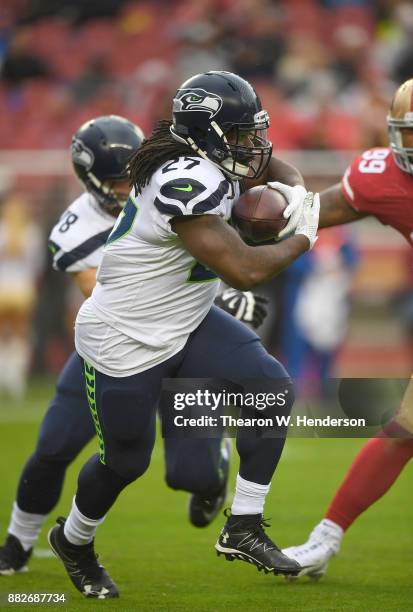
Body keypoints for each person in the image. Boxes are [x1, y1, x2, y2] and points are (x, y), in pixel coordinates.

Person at [47, 70, 320, 599]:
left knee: (271, 389)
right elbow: (244, 270)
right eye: (241, 135)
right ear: (208, 135)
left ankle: (243, 524)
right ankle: (74, 540)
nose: (253, 146)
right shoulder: (182, 178)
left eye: (252, 132)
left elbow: (273, 164)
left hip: (188, 317)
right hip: (128, 334)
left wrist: (294, 192)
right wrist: (303, 234)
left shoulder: (214, 158)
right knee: (125, 462)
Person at [0, 113, 268, 576]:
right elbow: (106, 294)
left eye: (131, 174)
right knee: (55, 446)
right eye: (114, 179)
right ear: (89, 178)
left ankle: (215, 462)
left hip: (183, 335)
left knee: (193, 477)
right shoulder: (74, 227)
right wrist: (231, 301)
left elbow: (206, 249)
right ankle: (18, 542)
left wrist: (225, 299)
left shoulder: (169, 181)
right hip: (120, 343)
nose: (126, 185)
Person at [282, 77, 413, 579]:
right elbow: (318, 211)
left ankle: (324, 540)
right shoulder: (383, 179)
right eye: (408, 133)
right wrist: (255, 221)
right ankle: (325, 539)